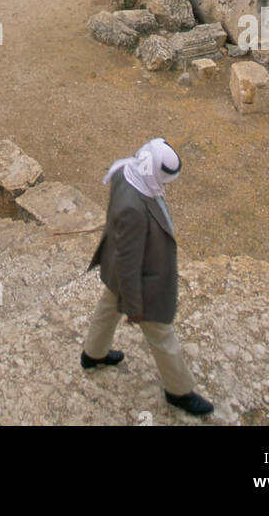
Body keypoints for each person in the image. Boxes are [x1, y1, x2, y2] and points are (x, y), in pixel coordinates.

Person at [81, 136, 213, 418]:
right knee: (162, 336)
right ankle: (179, 391)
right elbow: (130, 263)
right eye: (164, 179)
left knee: (106, 308)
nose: (165, 186)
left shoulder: (125, 171)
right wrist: (135, 307)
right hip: (140, 279)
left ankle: (92, 354)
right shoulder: (134, 209)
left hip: (113, 263)